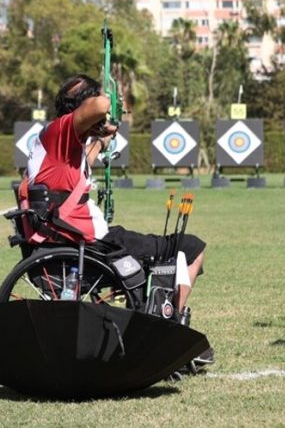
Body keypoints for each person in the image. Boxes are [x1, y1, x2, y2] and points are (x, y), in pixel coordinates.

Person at [24, 75, 212, 370]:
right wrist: (109, 103)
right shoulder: (61, 130)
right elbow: (100, 105)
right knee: (190, 248)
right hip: (93, 242)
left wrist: (101, 140)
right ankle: (173, 334)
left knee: (170, 247)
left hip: (71, 237)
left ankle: (165, 326)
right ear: (81, 105)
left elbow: (77, 165)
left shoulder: (56, 144)